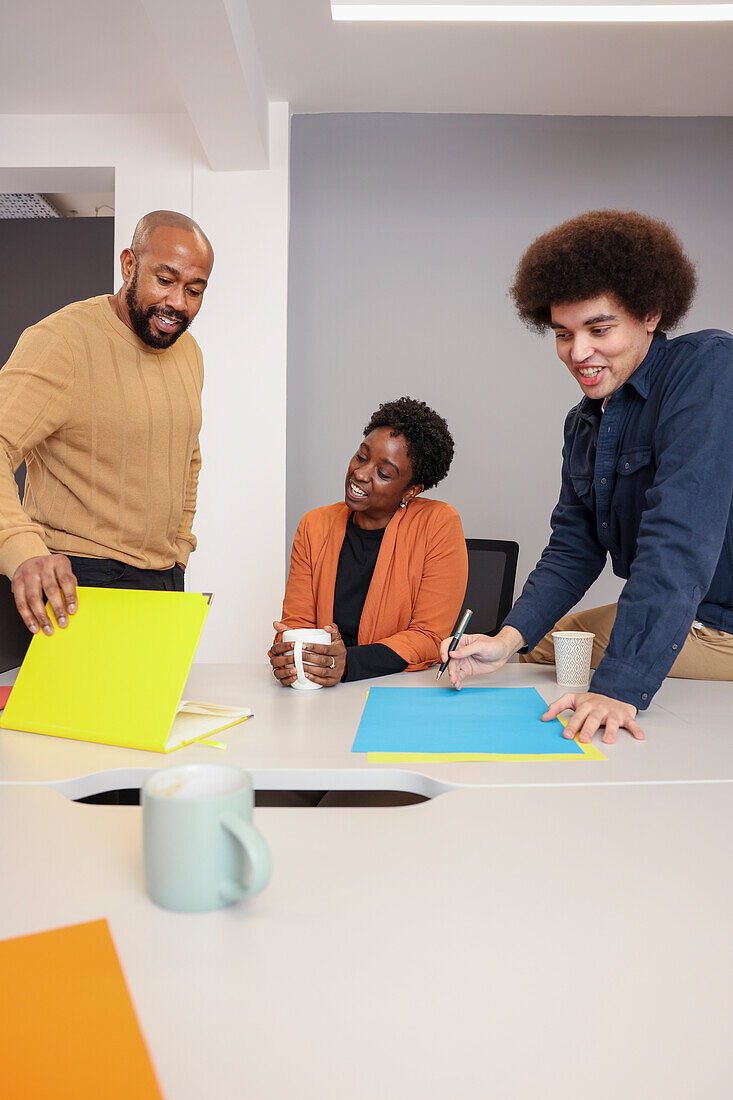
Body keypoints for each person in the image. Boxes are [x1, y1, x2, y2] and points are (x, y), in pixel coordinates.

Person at [441, 209, 733, 744]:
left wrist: (619, 687)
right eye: (563, 334)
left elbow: (679, 538)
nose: (579, 353)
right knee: (544, 645)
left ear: (650, 314)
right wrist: (507, 639)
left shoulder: (708, 368)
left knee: (570, 652)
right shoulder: (583, 423)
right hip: (682, 616)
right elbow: (573, 545)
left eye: (599, 329)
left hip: (720, 623)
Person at [0, 209, 214, 636]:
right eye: (165, 280)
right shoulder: (61, 342)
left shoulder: (188, 351)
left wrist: (180, 550)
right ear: (129, 265)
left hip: (163, 583)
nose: (178, 303)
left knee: (153, 707)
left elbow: (186, 456)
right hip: (76, 584)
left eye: (194, 290)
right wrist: (21, 550)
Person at [270, 397, 468, 687]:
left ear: (411, 491)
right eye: (362, 457)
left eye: (383, 473)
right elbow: (296, 624)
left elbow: (428, 637)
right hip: (322, 692)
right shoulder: (315, 525)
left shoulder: (437, 524)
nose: (360, 474)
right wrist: (290, 653)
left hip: (399, 690)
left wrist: (346, 663)